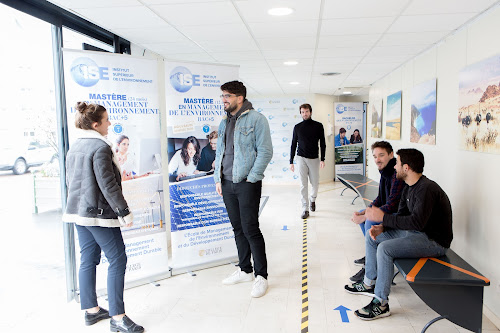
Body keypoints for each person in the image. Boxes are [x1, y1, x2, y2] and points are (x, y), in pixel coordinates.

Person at [62, 102, 144, 332]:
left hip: (77, 212)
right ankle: (118, 318)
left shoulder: (75, 146)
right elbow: (108, 185)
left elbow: (72, 181)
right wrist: (124, 212)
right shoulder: (100, 147)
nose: (110, 123)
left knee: (88, 258)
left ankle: (91, 311)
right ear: (96, 124)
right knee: (118, 259)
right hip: (98, 215)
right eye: (107, 120)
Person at [344, 148, 453, 321]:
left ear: (407, 168)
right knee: (373, 238)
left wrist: (383, 217)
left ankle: (381, 303)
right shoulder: (409, 187)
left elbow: (417, 223)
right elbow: (402, 216)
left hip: (433, 241)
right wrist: (383, 227)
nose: (395, 167)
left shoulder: (426, 189)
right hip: (415, 233)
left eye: (398, 163)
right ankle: (368, 283)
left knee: (386, 248)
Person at [214, 81, 273, 298]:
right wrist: (218, 179)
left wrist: (252, 178)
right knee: (237, 228)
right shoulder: (224, 122)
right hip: (227, 182)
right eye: (222, 96)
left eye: (227, 96)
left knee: (251, 229)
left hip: (247, 182)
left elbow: (265, 151)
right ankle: (245, 270)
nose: (223, 100)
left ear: (240, 97)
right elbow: (220, 151)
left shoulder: (257, 120)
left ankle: (261, 276)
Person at [349, 141, 405, 282]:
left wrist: (369, 215)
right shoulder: (385, 172)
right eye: (375, 156)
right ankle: (372, 255)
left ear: (391, 155)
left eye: (381, 155)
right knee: (364, 213)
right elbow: (381, 198)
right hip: (389, 211)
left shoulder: (395, 174)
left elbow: (392, 205)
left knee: (370, 220)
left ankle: (371, 271)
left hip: (398, 216)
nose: (377, 160)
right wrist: (366, 211)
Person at [289, 103, 326, 219]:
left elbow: (323, 144)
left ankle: (312, 199)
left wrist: (323, 159)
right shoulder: (297, 127)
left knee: (315, 184)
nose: (305, 114)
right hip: (301, 158)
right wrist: (291, 161)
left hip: (314, 158)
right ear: (300, 113)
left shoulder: (318, 126)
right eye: (302, 112)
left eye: (306, 111)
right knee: (303, 185)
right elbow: (293, 144)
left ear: (310, 112)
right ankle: (305, 208)